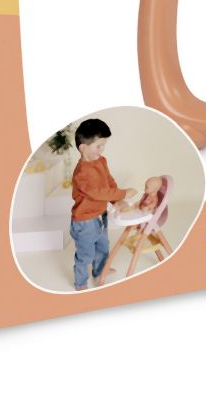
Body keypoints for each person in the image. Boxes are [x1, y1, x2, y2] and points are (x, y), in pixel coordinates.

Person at [68, 118, 135, 291]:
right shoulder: (81, 173)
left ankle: (99, 271)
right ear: (83, 147)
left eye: (104, 145)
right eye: (98, 146)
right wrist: (123, 193)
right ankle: (80, 283)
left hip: (100, 216)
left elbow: (108, 183)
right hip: (84, 221)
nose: (102, 149)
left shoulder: (101, 161)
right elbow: (98, 192)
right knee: (85, 254)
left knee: (103, 246)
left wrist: (117, 200)